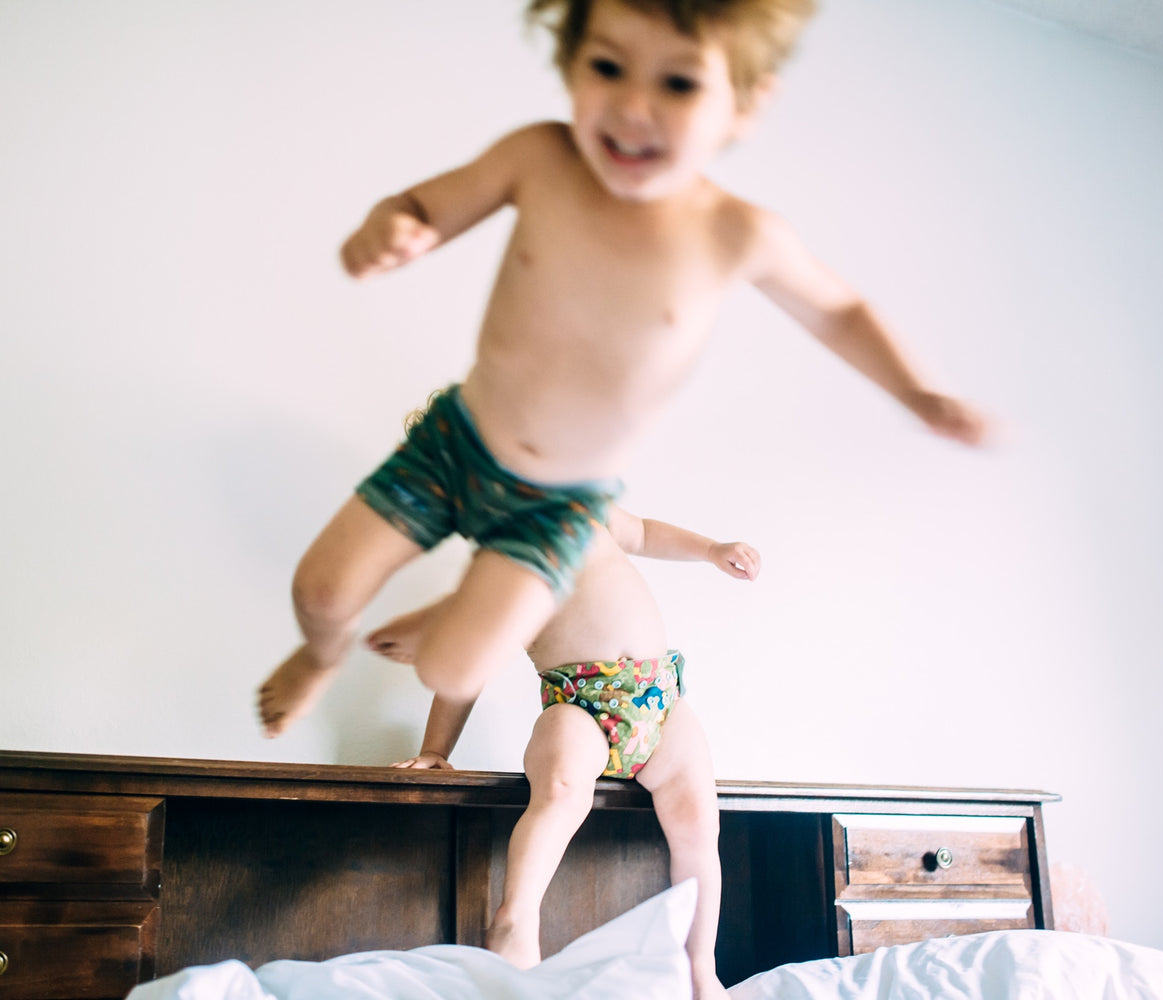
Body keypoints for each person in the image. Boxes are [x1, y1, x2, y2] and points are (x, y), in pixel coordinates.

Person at [257, 0, 986, 737]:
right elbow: (427, 202)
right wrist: (394, 224)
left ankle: (465, 609)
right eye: (607, 68)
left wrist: (915, 389)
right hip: (453, 444)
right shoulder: (538, 158)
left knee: (449, 670)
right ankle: (318, 660)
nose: (634, 107)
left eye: (678, 85)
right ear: (571, 66)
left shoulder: (736, 234)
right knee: (319, 592)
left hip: (559, 507)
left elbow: (837, 311)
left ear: (745, 104)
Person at [370, 505, 759, 1000]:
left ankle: (700, 964)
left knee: (700, 823)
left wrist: (710, 549)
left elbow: (642, 532)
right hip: (578, 704)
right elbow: (467, 668)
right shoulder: (503, 569)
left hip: (659, 701)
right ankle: (516, 918)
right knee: (560, 788)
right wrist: (434, 749)